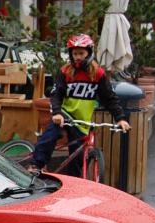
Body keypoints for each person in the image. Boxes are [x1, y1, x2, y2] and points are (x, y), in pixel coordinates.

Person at [29, 34, 131, 176]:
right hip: (64, 114)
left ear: (89, 53)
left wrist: (120, 118)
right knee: (51, 135)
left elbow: (109, 98)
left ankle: (74, 186)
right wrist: (57, 113)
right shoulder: (65, 71)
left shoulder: (98, 74)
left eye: (81, 53)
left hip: (81, 121)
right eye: (75, 53)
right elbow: (56, 94)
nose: (78, 57)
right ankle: (36, 165)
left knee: (76, 159)